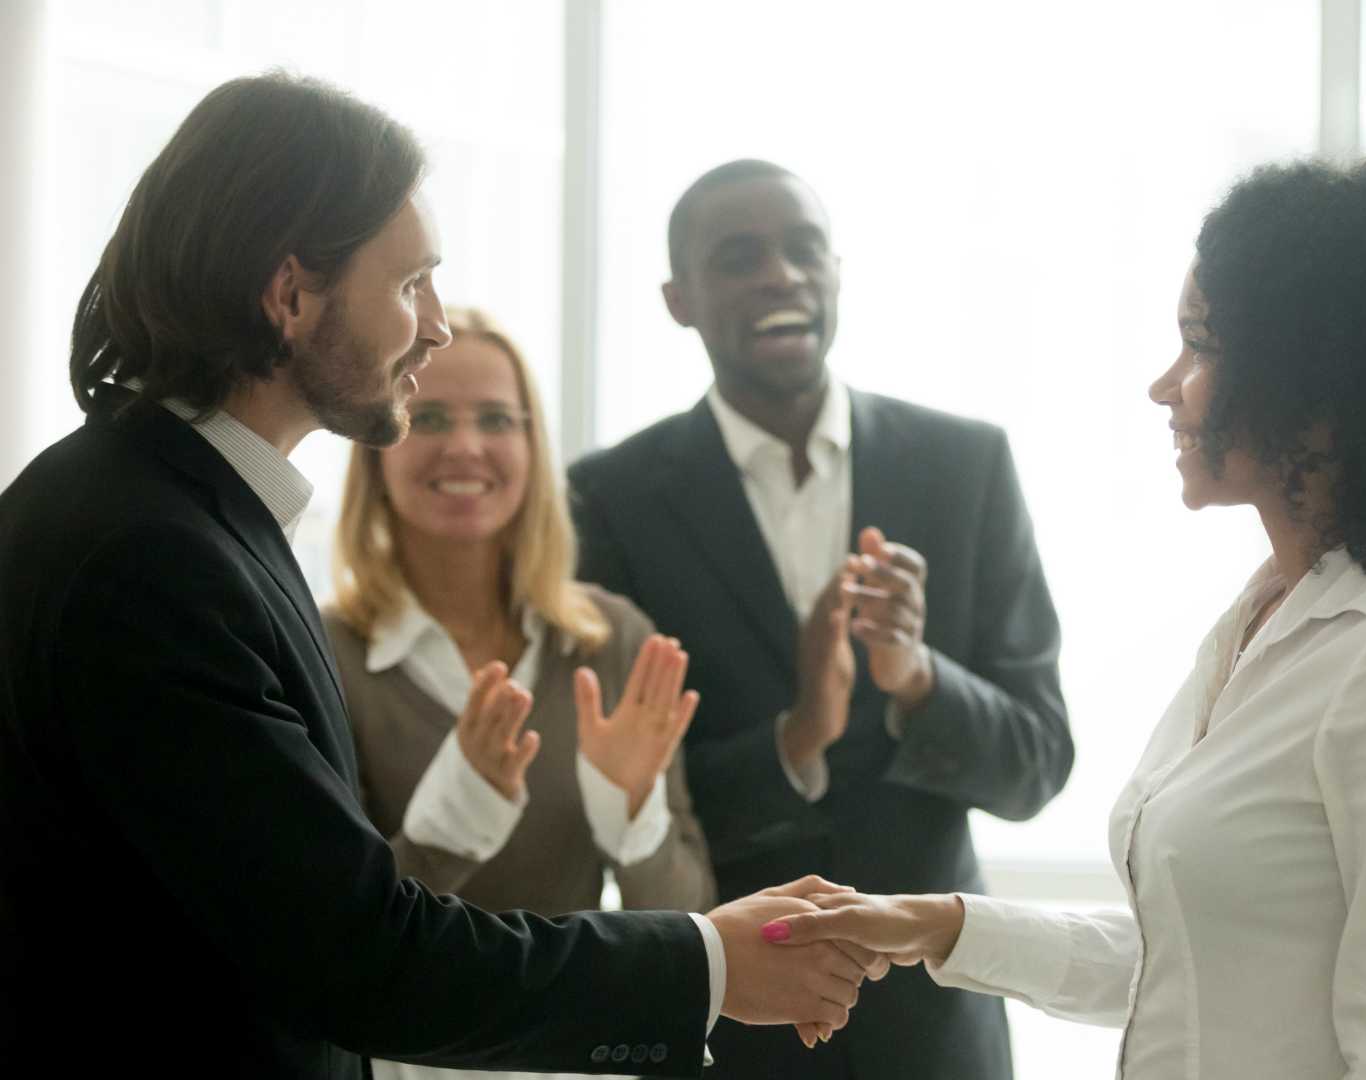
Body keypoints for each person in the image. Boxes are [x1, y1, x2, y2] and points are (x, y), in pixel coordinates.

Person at [0, 73, 880, 1079]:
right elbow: (360, 957)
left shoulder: (172, 515)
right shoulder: (148, 555)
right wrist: (709, 965)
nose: (435, 325)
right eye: (410, 282)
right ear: (291, 295)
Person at [760, 154, 1366, 1078]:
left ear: (1320, 390)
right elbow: (1189, 964)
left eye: (1201, 346)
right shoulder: (1263, 614)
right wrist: (936, 925)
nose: (1166, 385)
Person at [569, 158, 1074, 1080]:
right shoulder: (609, 500)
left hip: (937, 1029)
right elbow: (629, 797)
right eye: (740, 256)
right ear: (678, 299)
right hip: (723, 1024)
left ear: (838, 273)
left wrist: (917, 677)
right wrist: (798, 736)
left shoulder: (965, 467)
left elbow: (1037, 767)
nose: (780, 275)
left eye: (805, 250)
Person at [324, 307, 718, 1080]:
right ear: (376, 448)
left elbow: (685, 921)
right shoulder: (325, 651)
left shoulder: (612, 642)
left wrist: (634, 817)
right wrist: (446, 828)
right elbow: (331, 944)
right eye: (427, 415)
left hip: (584, 1058)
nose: (466, 445)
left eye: (497, 419)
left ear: (533, 449)